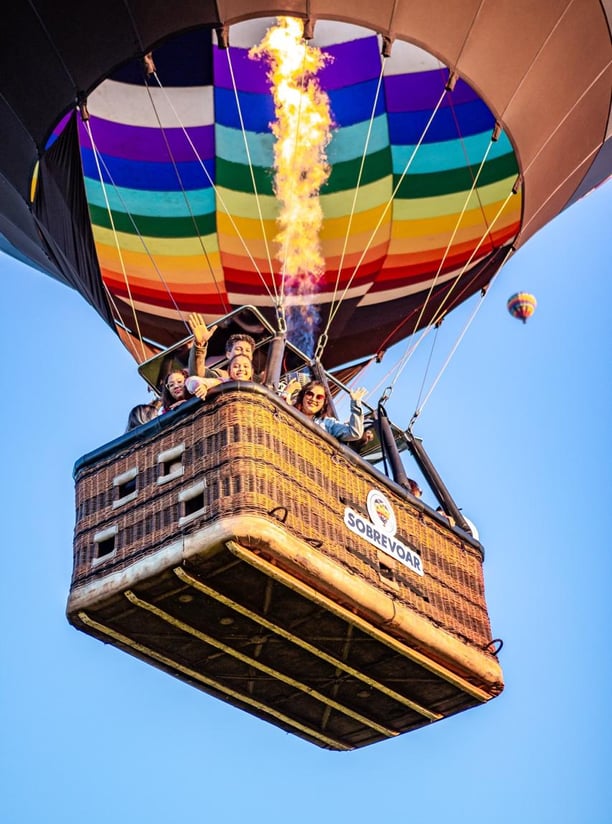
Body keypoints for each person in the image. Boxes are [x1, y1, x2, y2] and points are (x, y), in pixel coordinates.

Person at [187, 312, 256, 378]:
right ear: (228, 354)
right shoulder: (219, 376)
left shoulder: (260, 381)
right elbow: (197, 375)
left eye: (247, 350)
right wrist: (200, 345)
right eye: (238, 349)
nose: (243, 353)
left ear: (252, 356)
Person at [293, 380, 366, 442]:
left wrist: (356, 403)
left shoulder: (328, 424)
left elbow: (355, 433)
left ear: (324, 402)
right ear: (303, 396)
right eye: (310, 394)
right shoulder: (289, 408)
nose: (313, 399)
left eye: (319, 397)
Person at [189, 353, 254, 401]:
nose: (241, 369)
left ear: (252, 372)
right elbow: (192, 380)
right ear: (229, 371)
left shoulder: (256, 387)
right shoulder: (223, 382)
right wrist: (202, 385)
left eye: (246, 366)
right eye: (236, 366)